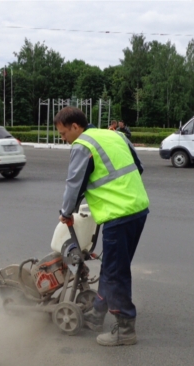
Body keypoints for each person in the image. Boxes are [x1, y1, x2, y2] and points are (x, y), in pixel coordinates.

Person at [55, 106, 149, 346]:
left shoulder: (82, 145)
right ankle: (97, 314)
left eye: (64, 134)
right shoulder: (115, 135)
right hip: (138, 208)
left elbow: (74, 183)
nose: (64, 140)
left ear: (75, 127)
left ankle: (125, 328)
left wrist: (66, 213)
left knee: (116, 272)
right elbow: (137, 168)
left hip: (118, 213)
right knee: (112, 265)